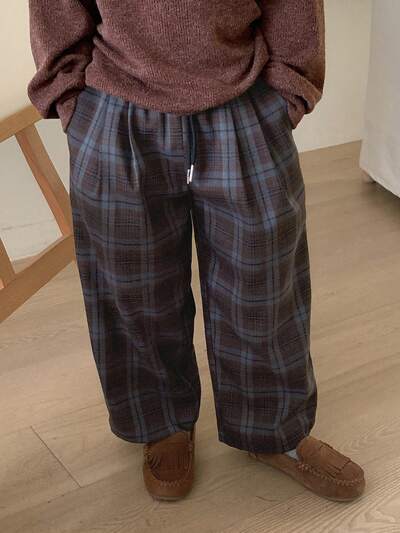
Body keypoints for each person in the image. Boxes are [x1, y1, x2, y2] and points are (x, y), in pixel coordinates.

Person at [27, 0, 366, 502]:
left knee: (263, 283)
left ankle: (274, 431)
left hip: (243, 102)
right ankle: (161, 422)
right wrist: (72, 102)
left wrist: (287, 92)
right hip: (115, 107)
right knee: (133, 287)